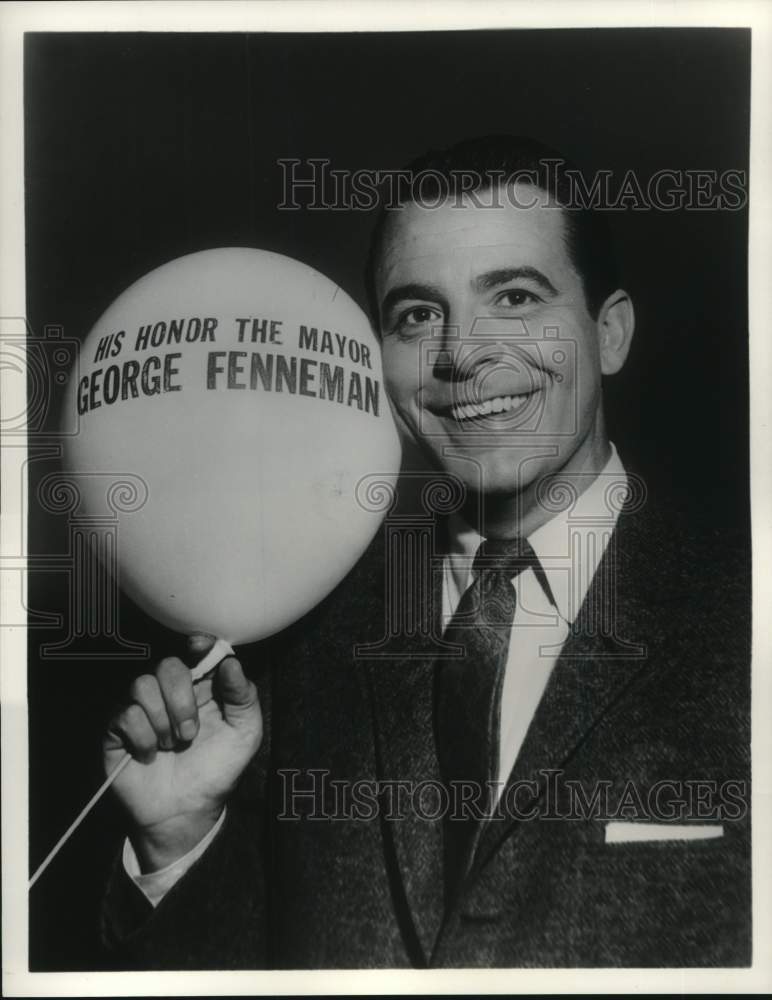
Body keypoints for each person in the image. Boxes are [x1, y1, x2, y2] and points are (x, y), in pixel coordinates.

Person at [101, 136, 751, 968]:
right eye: (417, 314)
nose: (461, 354)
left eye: (514, 296)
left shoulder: (744, 613)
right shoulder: (293, 645)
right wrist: (178, 845)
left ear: (611, 333)